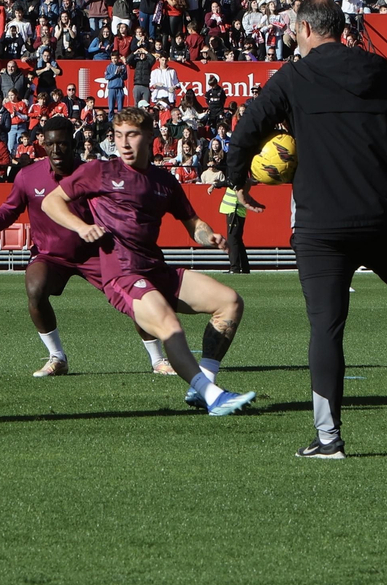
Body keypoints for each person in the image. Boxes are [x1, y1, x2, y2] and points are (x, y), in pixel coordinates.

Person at [223, 0, 387, 459]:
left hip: (319, 227)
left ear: (307, 29)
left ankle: (329, 440)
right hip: (379, 216)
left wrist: (236, 182)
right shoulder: (383, 74)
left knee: (326, 328)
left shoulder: (295, 75)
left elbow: (249, 125)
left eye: (293, 29)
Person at [41, 108, 255, 416]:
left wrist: (208, 236)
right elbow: (52, 201)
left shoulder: (163, 181)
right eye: (118, 136)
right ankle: (214, 398)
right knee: (169, 325)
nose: (124, 143)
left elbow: (193, 222)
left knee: (230, 301)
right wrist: (82, 227)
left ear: (150, 137)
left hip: (155, 269)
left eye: (132, 135)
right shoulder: (100, 171)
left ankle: (203, 385)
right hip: (122, 275)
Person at [0, 114, 176, 378]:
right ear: (43, 144)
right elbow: (9, 210)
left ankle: (158, 359)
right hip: (50, 255)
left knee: (135, 300)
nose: (56, 150)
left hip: (96, 253)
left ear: (74, 143)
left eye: (63, 144)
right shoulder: (27, 176)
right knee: (35, 290)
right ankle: (57, 358)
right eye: (50, 144)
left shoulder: (92, 173)